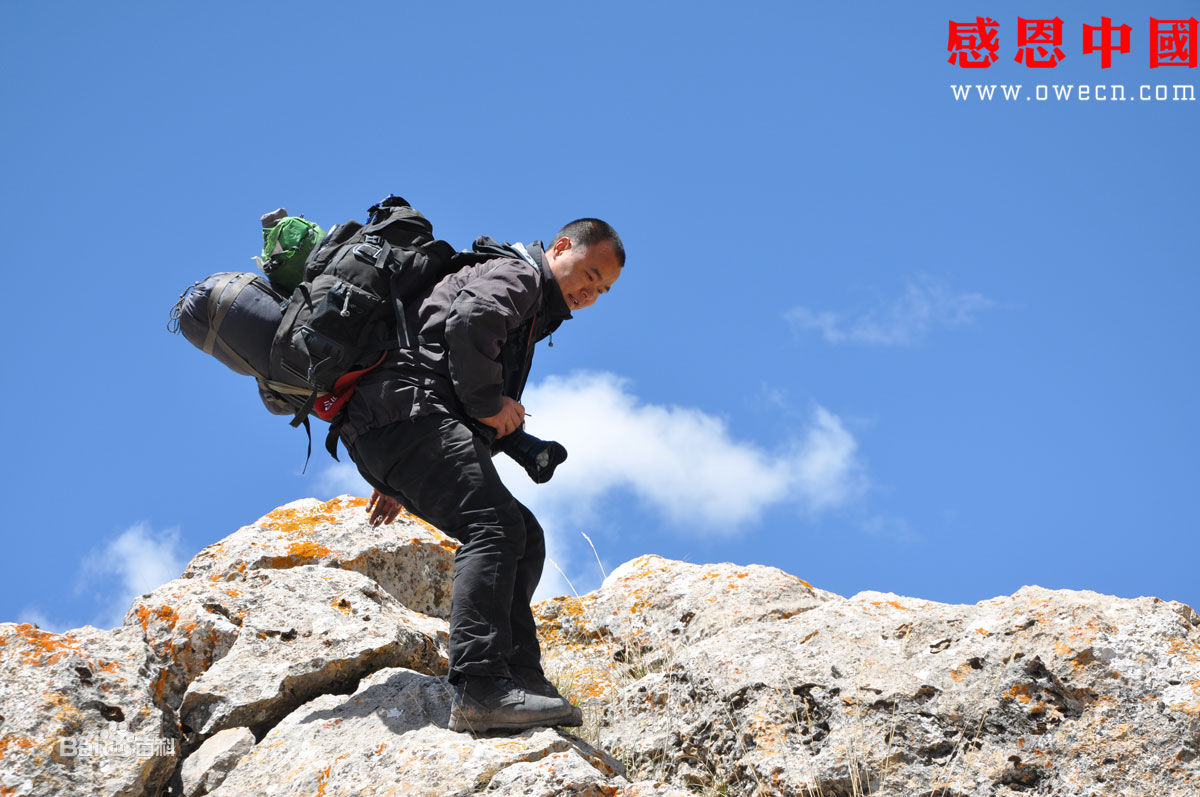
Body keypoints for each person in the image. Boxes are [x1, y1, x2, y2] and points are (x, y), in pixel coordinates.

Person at [336, 218, 625, 733]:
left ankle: (523, 680)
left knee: (525, 536)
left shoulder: (531, 301)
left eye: (603, 290)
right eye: (590, 273)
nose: (591, 293)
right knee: (493, 527)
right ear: (561, 247)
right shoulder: (519, 275)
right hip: (409, 419)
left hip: (398, 426)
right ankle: (481, 687)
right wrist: (491, 406)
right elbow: (470, 321)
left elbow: (434, 346)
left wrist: (399, 475)